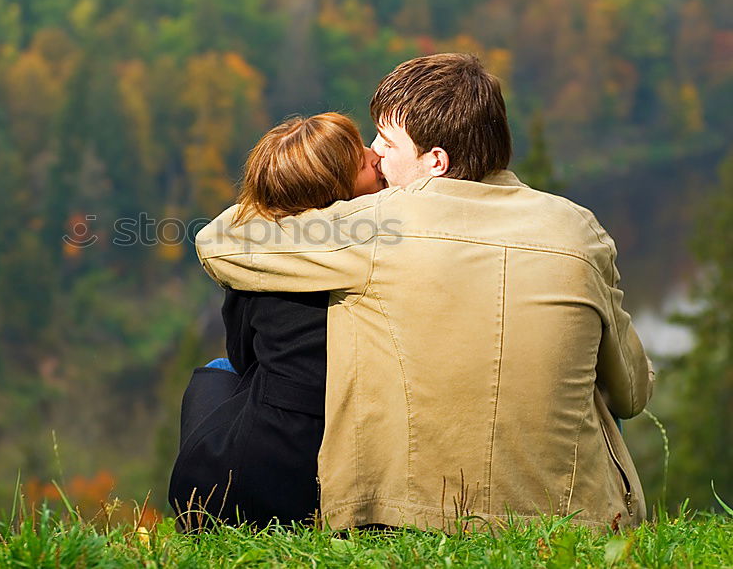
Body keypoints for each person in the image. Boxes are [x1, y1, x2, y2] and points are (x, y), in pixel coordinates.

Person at [195, 53, 655, 531]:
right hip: (577, 520)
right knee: (590, 379)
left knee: (222, 373)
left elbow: (222, 240)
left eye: (387, 142)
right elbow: (632, 393)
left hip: (419, 514)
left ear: (436, 161)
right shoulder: (579, 228)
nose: (374, 153)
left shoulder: (381, 225)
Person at [168, 113, 385, 529]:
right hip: (323, 466)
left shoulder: (261, 261)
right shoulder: (372, 243)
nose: (373, 154)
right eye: (359, 160)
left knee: (220, 370)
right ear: (333, 193)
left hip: (243, 481)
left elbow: (243, 356)